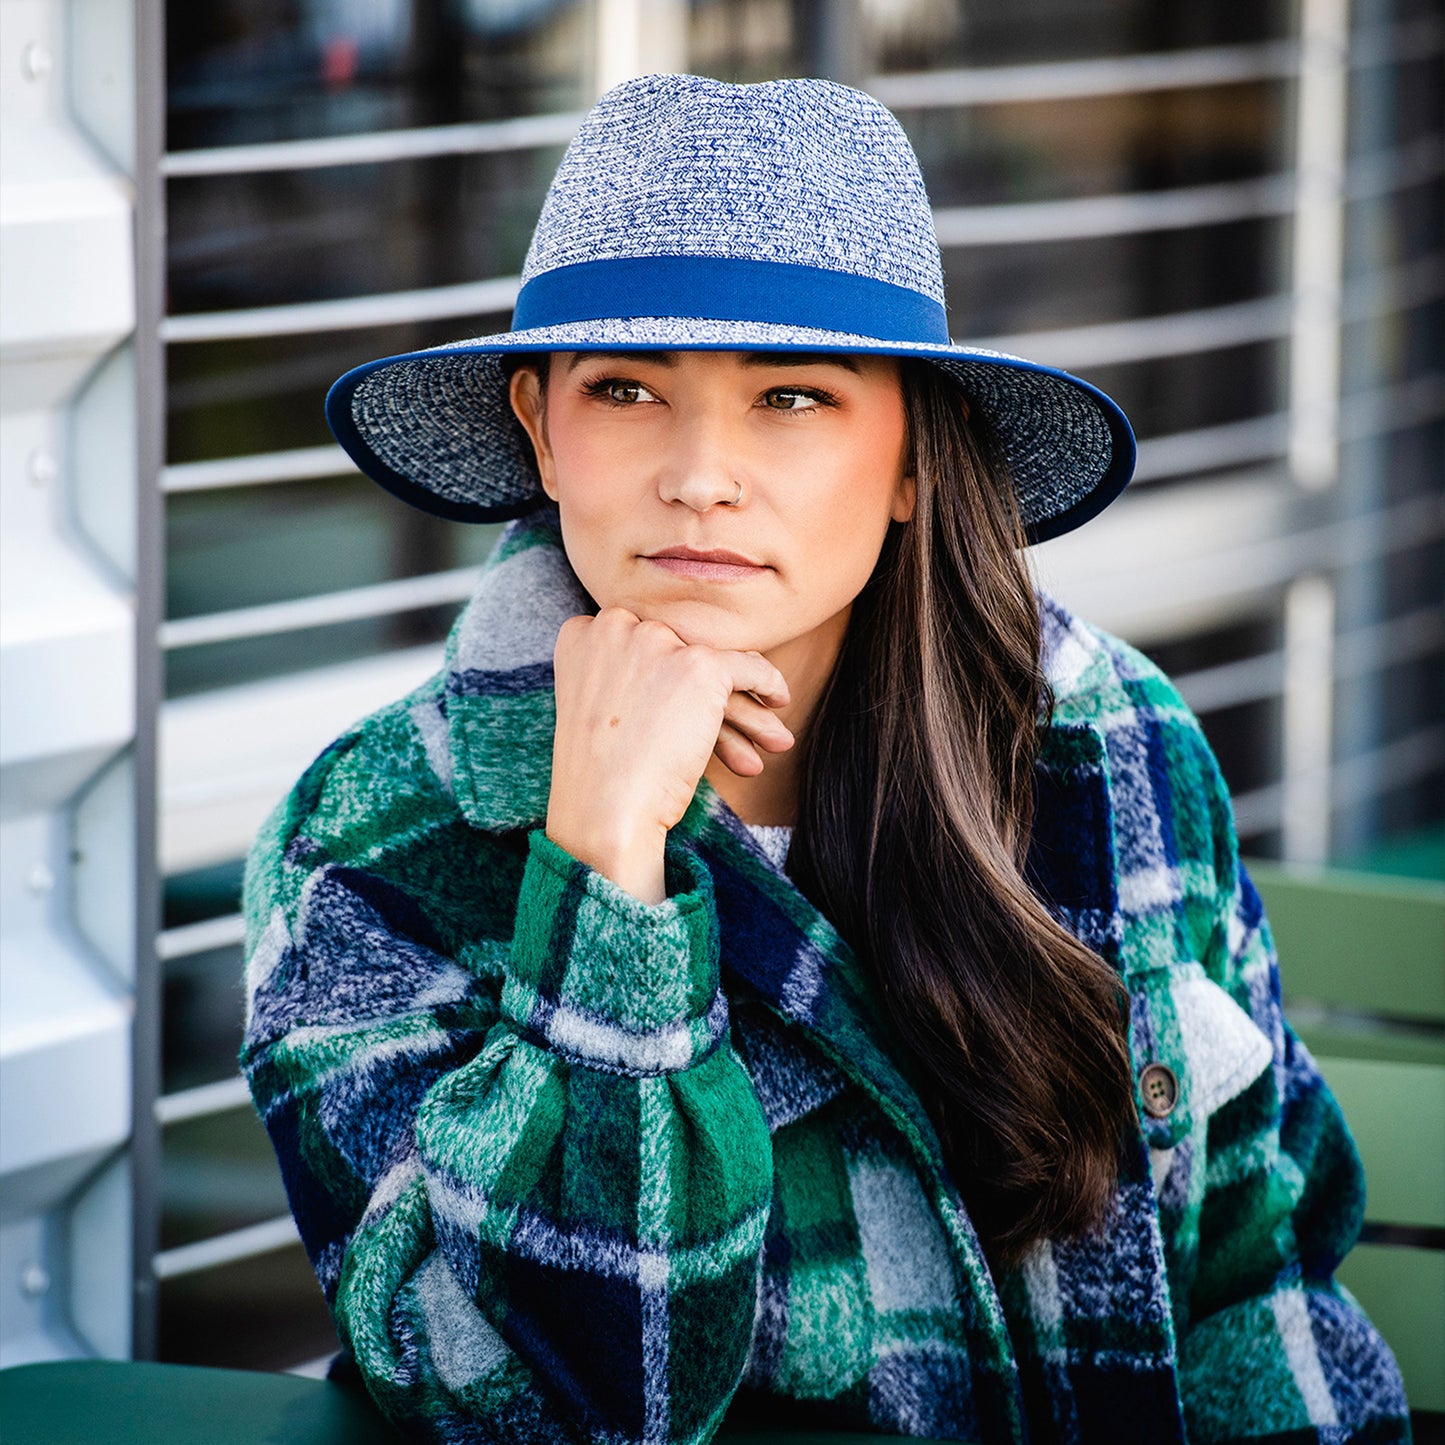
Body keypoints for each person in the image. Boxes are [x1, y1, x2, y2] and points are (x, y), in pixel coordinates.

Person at [240, 73, 1409, 1445]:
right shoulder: (376, 839)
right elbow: (541, 1409)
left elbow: (1255, 1284)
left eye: (790, 396)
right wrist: (603, 869)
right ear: (540, 430)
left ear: (912, 455)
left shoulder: (1110, 748)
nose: (700, 474)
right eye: (625, 389)